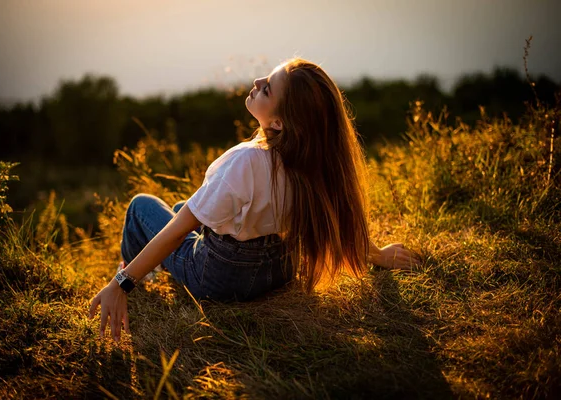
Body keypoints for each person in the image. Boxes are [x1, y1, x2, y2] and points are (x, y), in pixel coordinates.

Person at [89, 57, 422, 342]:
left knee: (142, 207)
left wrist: (121, 284)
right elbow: (339, 214)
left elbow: (179, 229)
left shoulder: (245, 161)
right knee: (180, 207)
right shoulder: (314, 160)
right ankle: (156, 267)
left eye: (267, 89)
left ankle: (135, 275)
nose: (256, 80)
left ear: (278, 122)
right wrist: (375, 254)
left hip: (220, 278)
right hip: (278, 270)